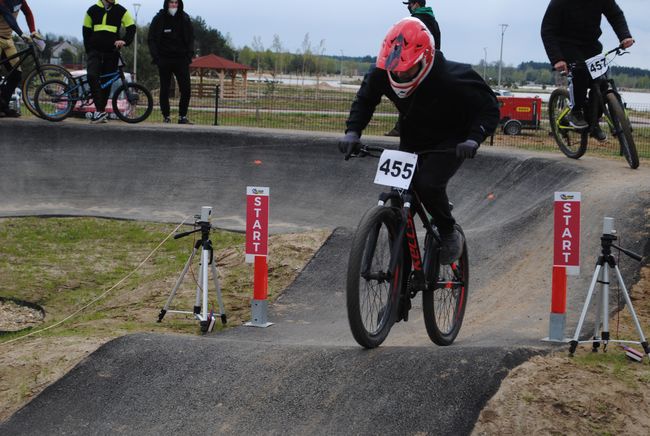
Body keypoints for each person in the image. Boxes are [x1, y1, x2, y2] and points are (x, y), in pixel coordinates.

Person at [339, 18, 499, 264]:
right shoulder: (382, 71)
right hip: (413, 139)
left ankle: (447, 231)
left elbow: (489, 108)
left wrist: (474, 139)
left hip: (451, 140)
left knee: (427, 184)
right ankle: (399, 290)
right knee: (399, 202)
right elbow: (365, 100)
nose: (401, 75)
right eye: (396, 71)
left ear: (425, 60)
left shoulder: (453, 76)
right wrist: (353, 132)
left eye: (407, 70)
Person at [541, 0, 634, 140]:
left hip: (591, 46)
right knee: (580, 73)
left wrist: (624, 36)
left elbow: (615, 15)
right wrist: (557, 59)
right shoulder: (559, 2)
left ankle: (592, 122)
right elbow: (547, 30)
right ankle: (576, 112)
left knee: (602, 84)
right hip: (566, 45)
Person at [386, 0, 441, 136]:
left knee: (405, 98)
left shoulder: (414, 21)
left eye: (410, 4)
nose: (409, 7)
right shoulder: (433, 21)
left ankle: (401, 128)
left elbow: (403, 44)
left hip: (414, 66)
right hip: (430, 66)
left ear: (416, 4)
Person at [83, 0, 135, 124]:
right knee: (92, 76)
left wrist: (124, 41)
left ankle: (100, 111)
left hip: (112, 53)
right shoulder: (92, 10)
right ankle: (100, 111)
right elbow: (86, 32)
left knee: (107, 83)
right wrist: (89, 50)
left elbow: (131, 28)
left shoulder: (121, 10)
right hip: (94, 52)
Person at [148, 0, 195, 125]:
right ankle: (166, 116)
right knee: (165, 89)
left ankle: (182, 116)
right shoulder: (159, 18)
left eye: (176, 3)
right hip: (164, 60)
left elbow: (191, 38)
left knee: (186, 89)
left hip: (181, 60)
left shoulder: (185, 18)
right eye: (171, 2)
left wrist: (189, 55)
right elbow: (151, 38)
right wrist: (156, 57)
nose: (173, 5)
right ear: (166, 4)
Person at [0, 0, 40, 117]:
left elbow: (28, 13)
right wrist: (21, 34)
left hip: (8, 39)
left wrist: (33, 31)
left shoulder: (20, 0)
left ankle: (3, 106)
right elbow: (8, 17)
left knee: (16, 75)